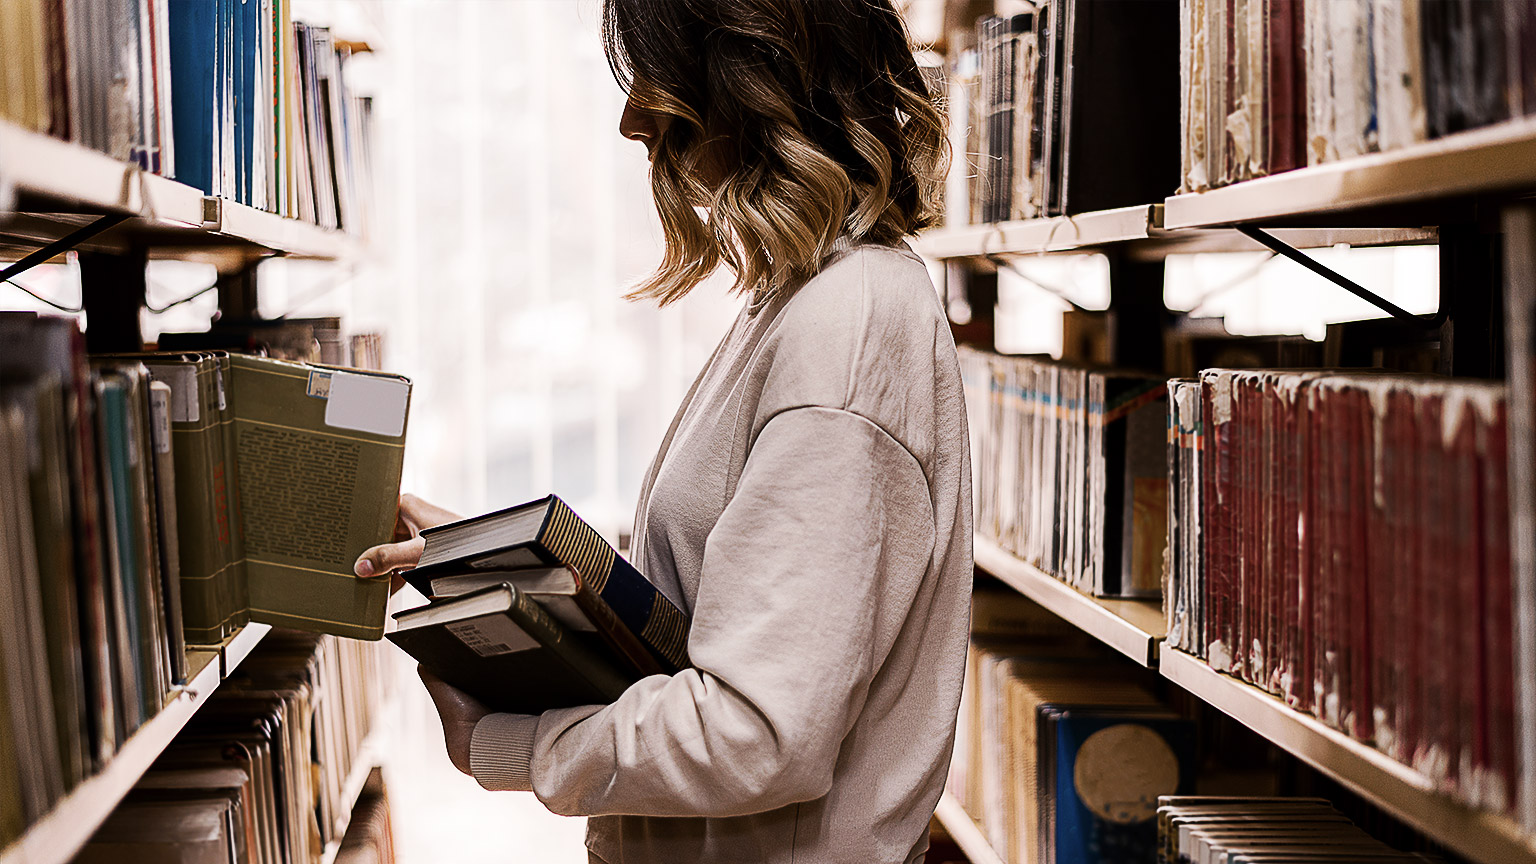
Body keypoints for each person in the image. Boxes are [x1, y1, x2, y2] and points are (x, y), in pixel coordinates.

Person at [353, 1, 973, 861]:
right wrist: (496, 557)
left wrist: (515, 747)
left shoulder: (847, 325)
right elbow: (730, 598)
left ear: (751, 77)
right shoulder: (805, 300)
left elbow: (755, 730)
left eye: (656, 76)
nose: (631, 118)